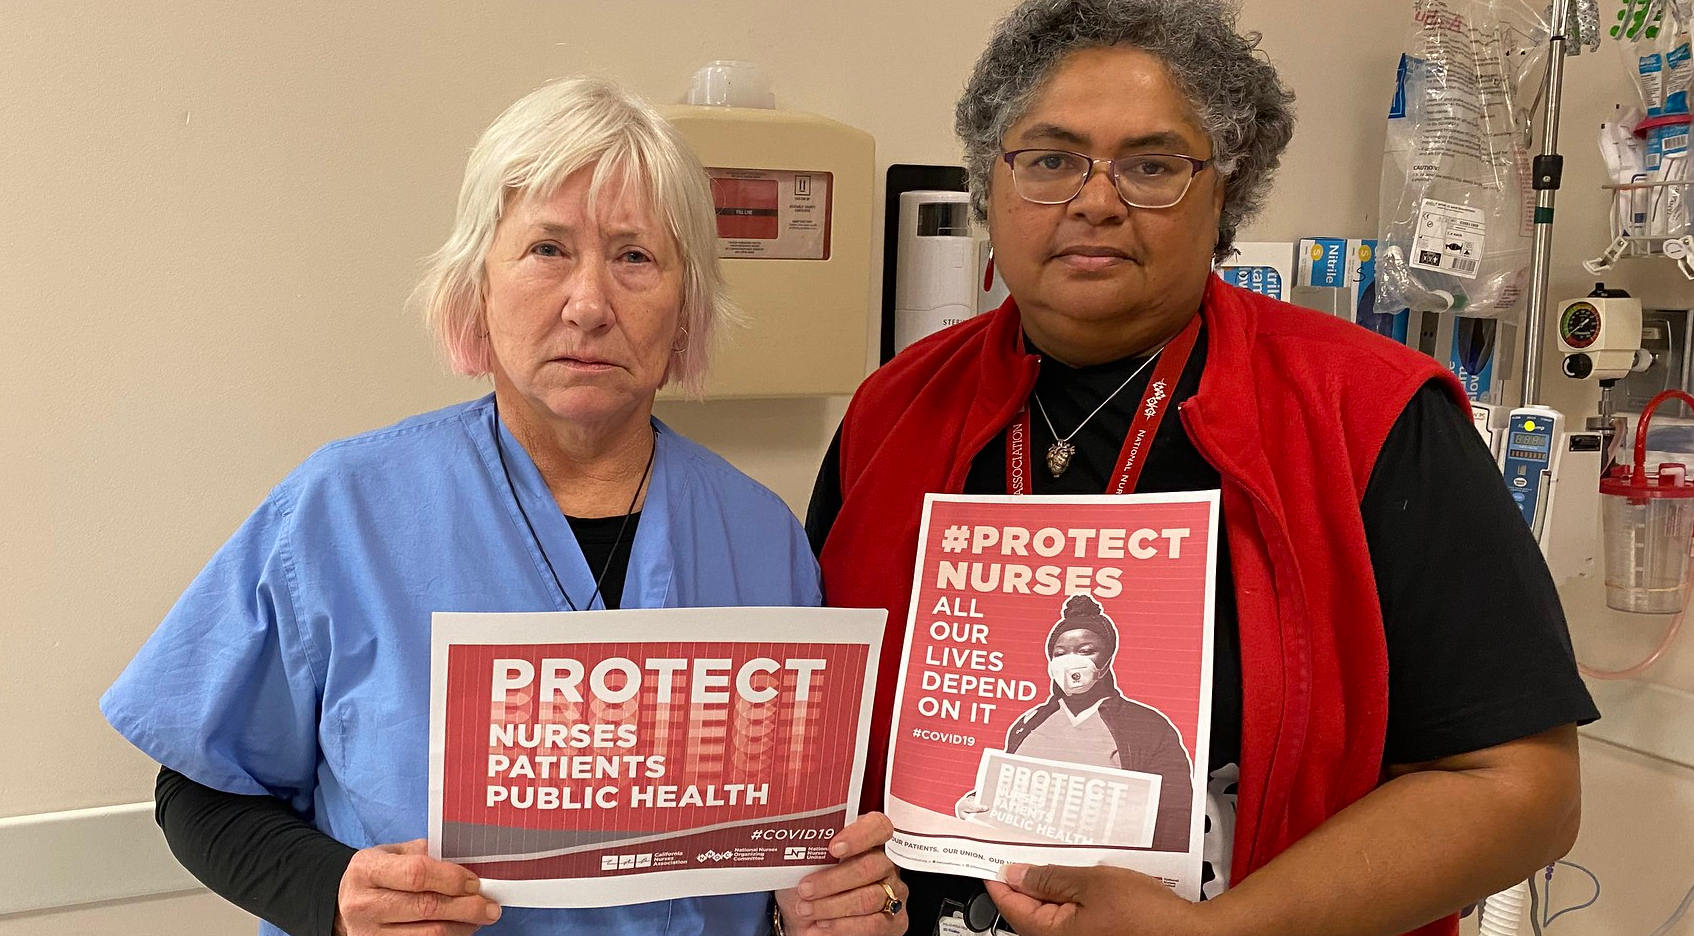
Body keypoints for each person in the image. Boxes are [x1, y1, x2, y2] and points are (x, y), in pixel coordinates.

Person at [806, 1, 1599, 935]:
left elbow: (1523, 788)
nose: (1096, 201)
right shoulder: (892, 413)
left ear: (1225, 194)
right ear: (992, 184)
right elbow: (830, 744)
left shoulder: (1370, 416)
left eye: (1151, 165)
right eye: (1052, 159)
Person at [101, 76, 907, 936]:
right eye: (547, 250)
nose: (590, 304)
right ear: (477, 288)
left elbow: (785, 855)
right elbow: (197, 788)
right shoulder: (342, 513)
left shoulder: (761, 539)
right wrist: (332, 894)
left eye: (635, 256)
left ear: (685, 312)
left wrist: (826, 907)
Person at [955, 594, 1194, 853]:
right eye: (1060, 653)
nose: (1071, 661)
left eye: (1086, 651)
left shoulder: (1149, 727)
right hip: (1023, 862)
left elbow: (1176, 814)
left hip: (1105, 874)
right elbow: (1010, 794)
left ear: (1108, 658)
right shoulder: (1028, 723)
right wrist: (973, 804)